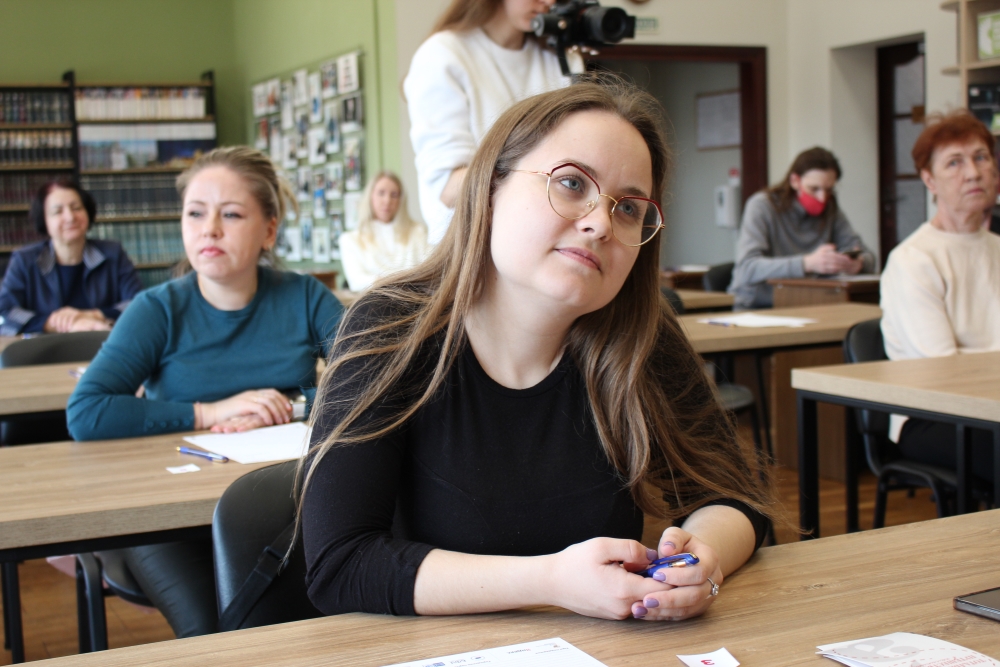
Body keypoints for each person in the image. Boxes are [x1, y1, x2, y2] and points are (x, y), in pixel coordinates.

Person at [301, 77, 775, 624]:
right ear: (491, 188)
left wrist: (702, 561)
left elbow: (735, 497)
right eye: (571, 183)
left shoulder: (642, 331)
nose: (600, 223)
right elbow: (341, 564)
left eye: (628, 208)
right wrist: (550, 581)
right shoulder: (390, 326)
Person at [67, 146, 344, 638]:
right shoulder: (156, 310)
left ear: (269, 230)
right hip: (171, 517)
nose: (209, 229)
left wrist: (289, 406)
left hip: (283, 507)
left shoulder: (305, 296)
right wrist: (209, 411)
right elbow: (86, 412)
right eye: (195, 213)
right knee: (212, 632)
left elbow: (379, 379)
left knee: (308, 621)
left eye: (231, 214)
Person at [881, 109, 1000, 482]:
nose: (973, 172)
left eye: (981, 157)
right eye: (955, 162)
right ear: (929, 179)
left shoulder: (996, 247)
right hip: (933, 415)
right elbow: (945, 369)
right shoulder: (913, 259)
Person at [404, 0, 570, 244]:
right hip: (470, 246)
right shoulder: (443, 55)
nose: (549, 2)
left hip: (546, 238)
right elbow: (449, 189)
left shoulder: (557, 57)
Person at [729, 147, 876, 310]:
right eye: (814, 189)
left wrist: (859, 263)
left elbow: (867, 255)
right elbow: (747, 268)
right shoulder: (762, 206)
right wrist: (807, 263)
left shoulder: (831, 208)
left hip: (808, 303)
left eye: (828, 190)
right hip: (757, 306)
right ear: (795, 181)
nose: (822, 198)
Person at [0, 180, 142, 336]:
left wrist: (92, 316)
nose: (70, 217)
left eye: (76, 208)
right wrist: (56, 323)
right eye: (58, 211)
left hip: (102, 343)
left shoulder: (113, 254)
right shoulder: (24, 260)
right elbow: (5, 310)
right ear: (44, 220)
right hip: (44, 347)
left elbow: (138, 303)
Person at [338, 171, 429, 291]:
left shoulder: (418, 232)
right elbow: (356, 281)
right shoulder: (350, 240)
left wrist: (383, 281)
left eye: (394, 195)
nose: (387, 200)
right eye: (381, 193)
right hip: (373, 301)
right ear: (371, 196)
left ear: (401, 199)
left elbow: (429, 272)